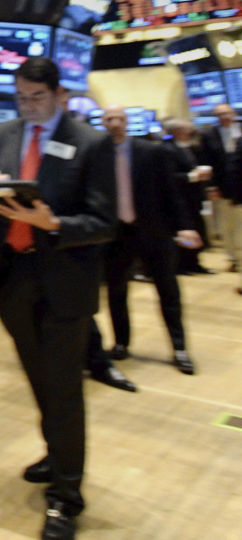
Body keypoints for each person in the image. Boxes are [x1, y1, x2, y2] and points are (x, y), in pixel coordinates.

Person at [0, 57, 116, 540]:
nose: (28, 106)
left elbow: (104, 222)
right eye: (21, 97)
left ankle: (67, 496)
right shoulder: (3, 136)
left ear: (59, 95)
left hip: (64, 281)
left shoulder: (90, 142)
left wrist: (53, 224)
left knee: (63, 389)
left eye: (37, 97)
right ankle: (58, 455)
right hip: (14, 278)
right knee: (39, 378)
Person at [98, 106, 200, 374]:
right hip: (117, 235)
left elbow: (171, 192)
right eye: (110, 119)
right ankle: (121, 343)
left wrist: (185, 227)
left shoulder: (151, 151)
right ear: (102, 123)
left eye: (120, 119)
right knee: (116, 292)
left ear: (128, 122)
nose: (115, 123)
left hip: (155, 232)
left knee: (168, 291)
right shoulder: (97, 155)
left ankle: (179, 348)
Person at [162, 119, 212, 276]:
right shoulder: (167, 149)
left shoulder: (188, 147)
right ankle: (183, 264)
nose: (190, 132)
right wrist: (192, 176)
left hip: (194, 197)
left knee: (198, 229)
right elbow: (168, 176)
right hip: (180, 198)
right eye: (187, 129)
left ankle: (194, 262)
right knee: (185, 230)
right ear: (177, 131)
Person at [198, 103, 240, 271]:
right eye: (220, 114)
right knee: (226, 225)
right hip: (222, 187)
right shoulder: (209, 135)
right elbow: (206, 163)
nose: (224, 117)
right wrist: (211, 187)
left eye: (226, 113)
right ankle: (233, 259)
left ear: (233, 113)